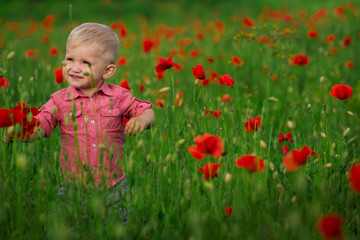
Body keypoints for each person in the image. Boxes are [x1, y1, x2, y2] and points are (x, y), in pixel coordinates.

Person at [4, 22, 155, 224]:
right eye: (70, 59)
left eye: (85, 63)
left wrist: (142, 120)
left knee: (115, 229)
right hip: (73, 187)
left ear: (108, 71)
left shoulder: (119, 96)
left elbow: (147, 111)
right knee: (71, 229)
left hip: (114, 187)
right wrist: (20, 132)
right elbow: (41, 124)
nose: (74, 68)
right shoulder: (59, 100)